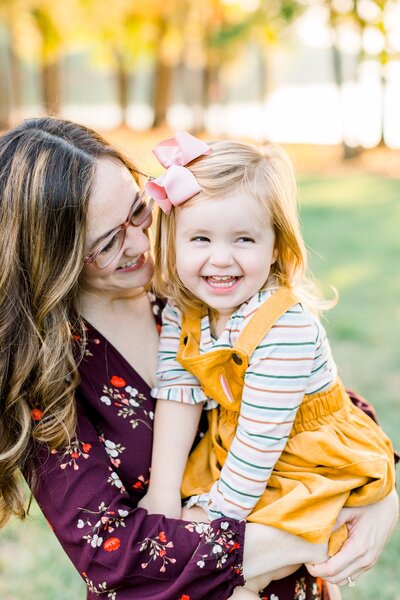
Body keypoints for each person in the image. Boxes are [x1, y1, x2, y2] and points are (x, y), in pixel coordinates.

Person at [0, 118, 397, 600]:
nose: (141, 244)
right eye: (107, 244)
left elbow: (319, 401)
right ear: (52, 259)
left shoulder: (187, 293)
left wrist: (381, 494)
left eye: (139, 211)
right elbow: (112, 555)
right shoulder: (46, 376)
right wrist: (317, 528)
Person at [139, 131, 397, 597]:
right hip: (241, 448)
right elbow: (178, 388)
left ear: (276, 246)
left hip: (304, 458)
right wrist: (162, 493)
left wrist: (217, 527)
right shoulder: (185, 308)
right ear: (172, 241)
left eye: (244, 238)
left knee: (226, 576)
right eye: (200, 238)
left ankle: (306, 556)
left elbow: (261, 442)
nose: (221, 258)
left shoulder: (285, 330)